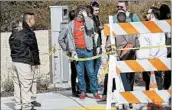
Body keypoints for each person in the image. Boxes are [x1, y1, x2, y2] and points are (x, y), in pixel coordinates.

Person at [98, 10, 139, 102]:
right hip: (132, 55)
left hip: (121, 57)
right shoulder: (132, 28)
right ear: (126, 19)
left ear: (117, 19)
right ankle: (130, 96)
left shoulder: (114, 29)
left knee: (124, 78)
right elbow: (137, 43)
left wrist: (113, 53)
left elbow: (108, 46)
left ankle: (128, 97)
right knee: (131, 77)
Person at [67, 6, 101, 100]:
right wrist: (72, 51)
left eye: (83, 14)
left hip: (88, 50)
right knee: (80, 73)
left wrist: (86, 17)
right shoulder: (71, 25)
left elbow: (90, 28)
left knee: (91, 72)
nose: (81, 16)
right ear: (77, 14)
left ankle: (95, 91)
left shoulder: (88, 22)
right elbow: (70, 39)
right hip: (78, 51)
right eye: (80, 14)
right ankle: (83, 91)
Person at [9, 12, 41, 110]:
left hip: (15, 61)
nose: (34, 21)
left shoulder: (14, 33)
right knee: (26, 85)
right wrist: (35, 63)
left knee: (17, 84)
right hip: (24, 62)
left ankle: (18, 105)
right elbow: (34, 49)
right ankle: (26, 106)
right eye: (33, 19)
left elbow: (11, 46)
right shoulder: (28, 33)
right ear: (29, 20)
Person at [137, 7, 167, 90]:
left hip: (153, 58)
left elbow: (155, 43)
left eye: (148, 13)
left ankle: (156, 99)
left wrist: (151, 56)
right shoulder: (150, 25)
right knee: (149, 80)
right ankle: (152, 99)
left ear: (153, 15)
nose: (146, 14)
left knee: (156, 79)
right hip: (150, 57)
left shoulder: (155, 26)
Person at [113, 1, 140, 92]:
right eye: (118, 7)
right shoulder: (114, 19)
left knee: (127, 75)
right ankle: (128, 95)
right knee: (127, 76)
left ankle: (129, 95)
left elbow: (140, 32)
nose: (119, 8)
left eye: (121, 7)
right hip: (126, 53)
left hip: (127, 53)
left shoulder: (133, 17)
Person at [58, 10, 80, 97]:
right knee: (74, 71)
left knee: (80, 71)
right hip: (72, 51)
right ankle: (74, 90)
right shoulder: (67, 27)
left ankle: (80, 89)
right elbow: (60, 39)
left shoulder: (79, 26)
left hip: (80, 50)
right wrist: (66, 49)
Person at [90, 1, 103, 90]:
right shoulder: (90, 19)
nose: (97, 12)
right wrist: (100, 28)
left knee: (97, 65)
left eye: (98, 10)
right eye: (95, 10)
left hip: (98, 44)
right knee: (94, 66)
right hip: (94, 45)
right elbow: (93, 31)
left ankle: (94, 84)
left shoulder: (96, 17)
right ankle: (93, 85)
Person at [159, 4, 171, 90]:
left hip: (163, 49)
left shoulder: (159, 23)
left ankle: (164, 87)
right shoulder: (167, 22)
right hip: (167, 49)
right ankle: (165, 87)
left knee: (165, 71)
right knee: (167, 72)